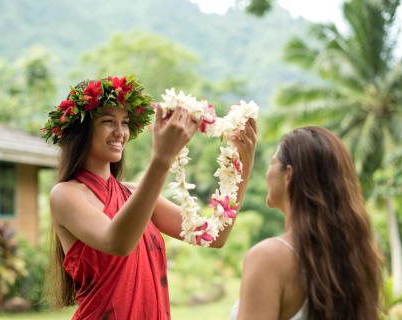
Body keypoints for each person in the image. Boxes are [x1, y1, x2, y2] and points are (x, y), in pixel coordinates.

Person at [42, 76, 258, 320]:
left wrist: (243, 167)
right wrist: (161, 159)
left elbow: (214, 236)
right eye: (108, 121)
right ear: (82, 131)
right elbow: (118, 242)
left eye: (124, 123)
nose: (120, 132)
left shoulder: (135, 194)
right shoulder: (65, 195)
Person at [231, 126, 382, 320]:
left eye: (272, 162)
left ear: (288, 175)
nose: (267, 174)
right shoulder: (356, 257)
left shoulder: (268, 257)